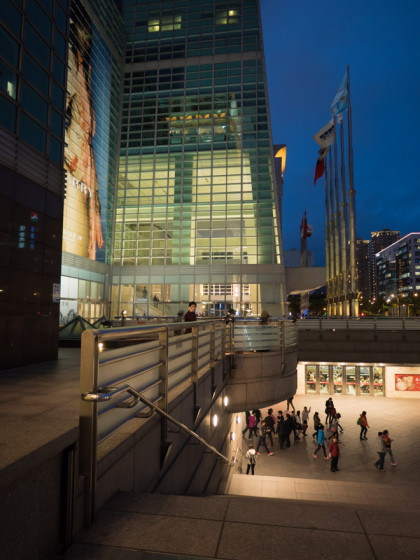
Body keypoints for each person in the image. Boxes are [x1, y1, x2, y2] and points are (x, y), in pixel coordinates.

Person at [64, 7, 103, 260]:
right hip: (74, 170)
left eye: (89, 35)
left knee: (85, 251)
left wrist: (97, 205)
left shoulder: (83, 67)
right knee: (72, 246)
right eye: (83, 32)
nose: (87, 38)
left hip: (85, 174)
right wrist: (69, 156)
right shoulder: (69, 61)